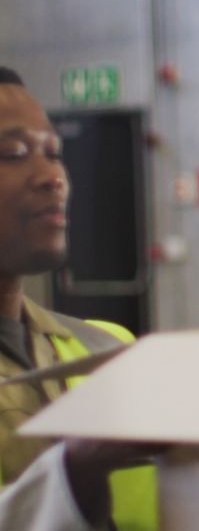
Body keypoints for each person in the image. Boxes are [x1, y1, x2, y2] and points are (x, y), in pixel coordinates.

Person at [0, 67, 158, 529]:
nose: (51, 175)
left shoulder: (104, 350)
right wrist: (75, 472)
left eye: (53, 152)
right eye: (12, 153)